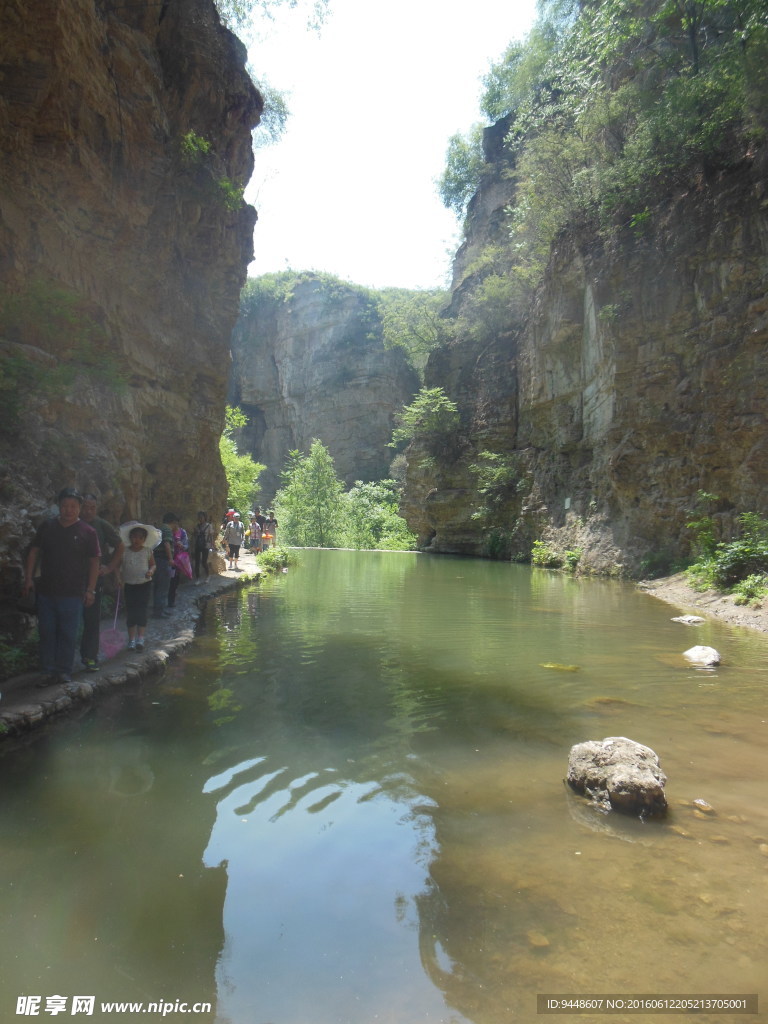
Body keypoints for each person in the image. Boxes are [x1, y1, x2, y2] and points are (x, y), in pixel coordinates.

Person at [22, 488, 101, 687]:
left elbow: (94, 562)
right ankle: (47, 671)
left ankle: (64, 671)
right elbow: (34, 552)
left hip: (73, 593)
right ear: (59, 506)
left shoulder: (88, 532)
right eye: (65, 505)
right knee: (47, 632)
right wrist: (28, 578)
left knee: (68, 633)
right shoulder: (47, 527)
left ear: (79, 508)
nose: (68, 510)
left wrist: (90, 589)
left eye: (73, 506)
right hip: (46, 591)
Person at [79, 493, 124, 672]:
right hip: (72, 579)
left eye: (92, 508)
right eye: (85, 507)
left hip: (95, 578)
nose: (89, 511)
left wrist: (110, 567)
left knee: (91, 619)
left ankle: (90, 656)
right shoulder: (72, 523)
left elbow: (120, 546)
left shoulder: (101, 525)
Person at [119, 522, 159, 651]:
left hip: (144, 584)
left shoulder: (147, 551)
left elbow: (153, 565)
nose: (137, 540)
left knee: (141, 610)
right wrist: (118, 579)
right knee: (131, 611)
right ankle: (131, 640)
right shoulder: (124, 551)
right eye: (134, 537)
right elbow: (117, 566)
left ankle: (140, 638)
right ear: (130, 537)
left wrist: (151, 571)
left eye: (140, 537)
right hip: (129, 585)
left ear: (144, 539)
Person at [152, 512, 176, 617]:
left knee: (157, 586)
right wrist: (170, 558)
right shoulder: (167, 529)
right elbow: (167, 543)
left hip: (156, 560)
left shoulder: (160, 528)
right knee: (163, 586)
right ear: (173, 522)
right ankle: (159, 611)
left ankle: (159, 609)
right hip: (163, 560)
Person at [167, 518, 189, 607]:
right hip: (169, 559)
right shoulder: (168, 532)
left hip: (178, 560)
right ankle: (169, 599)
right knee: (169, 580)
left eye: (176, 522)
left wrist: (182, 545)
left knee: (175, 580)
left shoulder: (182, 532)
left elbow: (186, 545)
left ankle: (171, 600)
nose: (174, 524)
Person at [193, 511, 214, 582]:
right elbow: (195, 536)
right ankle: (198, 578)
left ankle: (208, 575)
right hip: (198, 545)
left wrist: (212, 545)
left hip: (206, 545)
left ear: (205, 517)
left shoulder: (209, 526)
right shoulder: (197, 526)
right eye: (199, 517)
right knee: (197, 562)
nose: (200, 519)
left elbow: (211, 536)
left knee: (204, 561)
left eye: (201, 517)